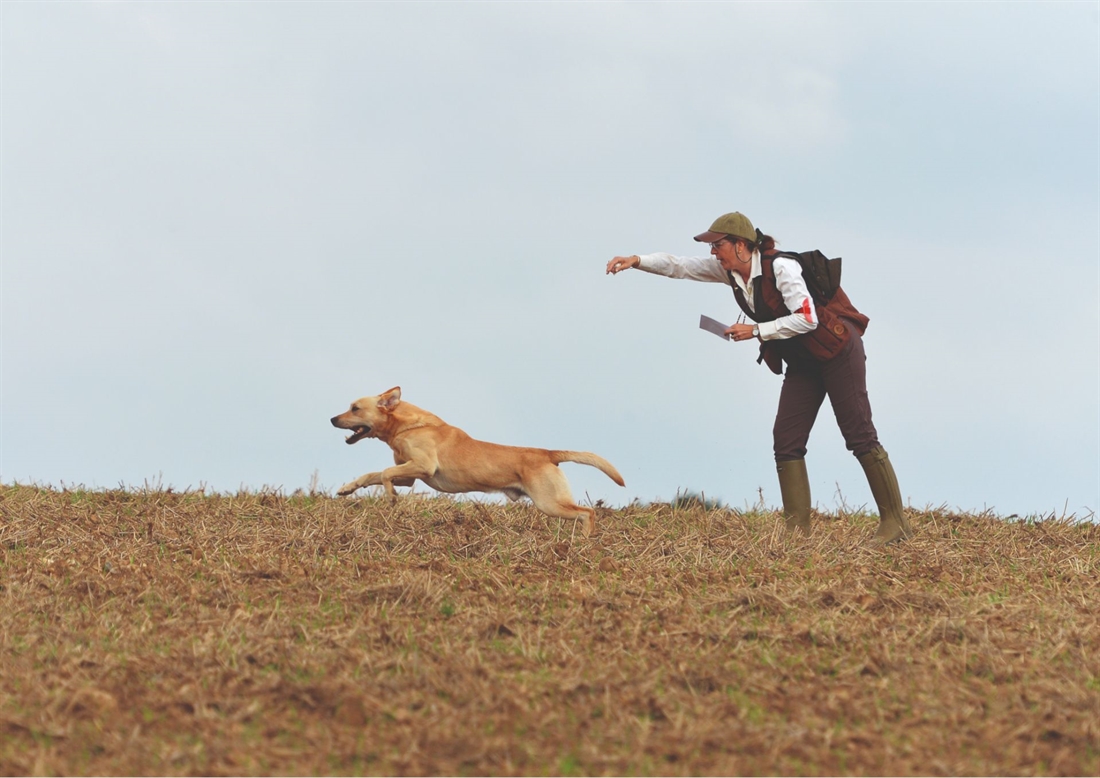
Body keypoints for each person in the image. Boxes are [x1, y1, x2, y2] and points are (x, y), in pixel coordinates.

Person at [605, 211, 912, 546]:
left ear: (741, 245)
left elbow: (808, 318)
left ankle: (895, 525)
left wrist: (756, 330)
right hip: (804, 361)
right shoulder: (730, 271)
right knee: (786, 440)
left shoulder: (781, 268)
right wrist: (636, 260)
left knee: (859, 435)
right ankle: (797, 535)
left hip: (838, 351)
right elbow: (680, 266)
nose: (713, 253)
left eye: (718, 245)